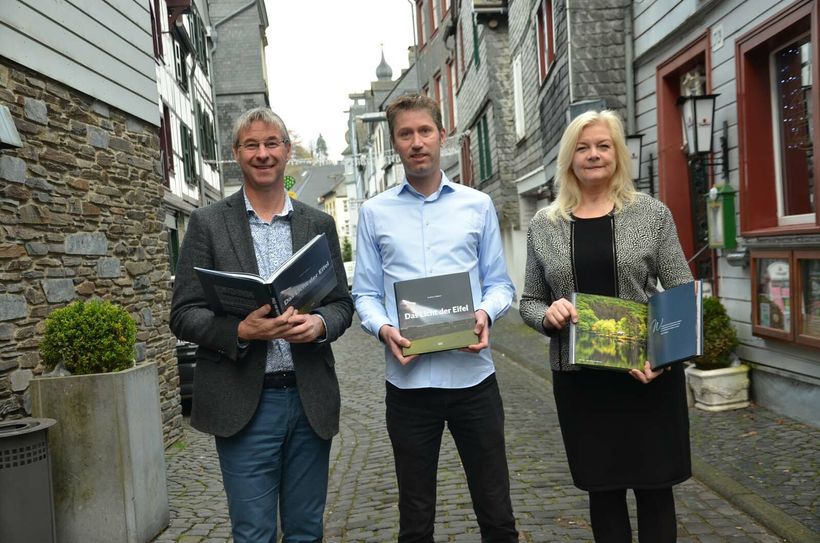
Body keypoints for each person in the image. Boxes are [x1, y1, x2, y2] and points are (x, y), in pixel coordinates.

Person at [170, 107, 353, 542]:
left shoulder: (318, 224)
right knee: (253, 533)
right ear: (236, 153)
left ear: (287, 151)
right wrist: (239, 332)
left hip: (309, 399)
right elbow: (183, 313)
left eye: (272, 143)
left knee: (307, 530)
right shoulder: (208, 224)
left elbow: (342, 303)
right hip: (244, 404)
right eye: (251, 145)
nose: (263, 153)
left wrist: (320, 325)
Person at [519, 110, 693, 543]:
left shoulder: (651, 214)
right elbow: (529, 301)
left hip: (647, 380)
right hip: (583, 384)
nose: (593, 155)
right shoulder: (546, 224)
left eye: (603, 145)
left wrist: (662, 357)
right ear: (568, 157)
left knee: (656, 493)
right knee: (604, 494)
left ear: (618, 154)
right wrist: (547, 315)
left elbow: (681, 292)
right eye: (582, 147)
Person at [353, 94, 519, 543]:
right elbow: (364, 293)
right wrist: (383, 328)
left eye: (425, 131)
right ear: (395, 144)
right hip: (408, 388)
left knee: (496, 510)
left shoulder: (477, 205)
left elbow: (501, 284)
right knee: (415, 516)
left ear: (441, 136)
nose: (417, 142)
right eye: (405, 134)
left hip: (473, 382)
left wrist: (484, 313)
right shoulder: (374, 213)